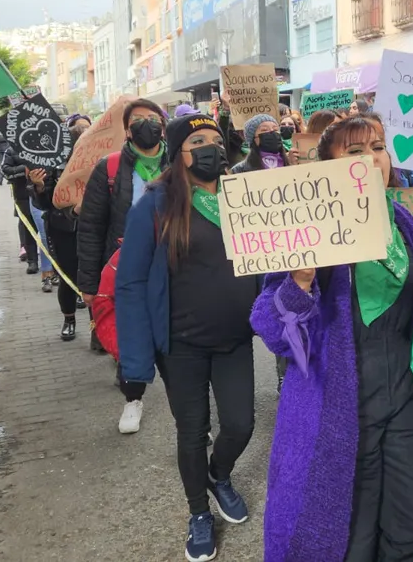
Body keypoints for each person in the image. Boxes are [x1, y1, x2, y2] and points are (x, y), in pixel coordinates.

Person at [251, 115, 413, 562]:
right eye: (355, 152)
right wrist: (299, 284)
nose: (373, 159)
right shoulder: (309, 224)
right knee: (349, 537)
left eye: (378, 146)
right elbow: (271, 327)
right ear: (329, 163)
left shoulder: (404, 223)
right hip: (340, 407)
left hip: (405, 397)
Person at [116, 114, 256, 562]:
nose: (211, 148)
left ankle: (219, 475)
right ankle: (199, 511)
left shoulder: (244, 197)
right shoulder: (154, 205)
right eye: (198, 140)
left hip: (235, 338)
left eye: (217, 140)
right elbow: (132, 283)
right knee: (191, 432)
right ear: (179, 153)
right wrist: (135, 361)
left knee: (240, 424)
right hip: (181, 347)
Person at [77, 98, 169, 434]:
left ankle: (188, 413)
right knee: (130, 336)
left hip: (175, 268)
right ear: (128, 130)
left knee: (177, 340)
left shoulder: (181, 162)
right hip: (127, 269)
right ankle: (133, 398)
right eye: (139, 120)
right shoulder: (110, 168)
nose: (147, 124)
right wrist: (89, 283)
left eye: (153, 118)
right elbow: (90, 227)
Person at [227, 113, 292, 390]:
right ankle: (283, 370)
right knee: (278, 312)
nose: (273, 133)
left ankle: (291, 371)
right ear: (253, 138)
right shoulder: (240, 170)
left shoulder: (295, 162)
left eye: (275, 128)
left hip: (296, 245)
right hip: (265, 252)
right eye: (265, 130)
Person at [30, 115, 92, 340]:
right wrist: (38, 186)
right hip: (63, 228)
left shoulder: (101, 162)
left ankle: (97, 327)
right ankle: (69, 319)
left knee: (95, 277)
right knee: (68, 275)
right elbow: (44, 203)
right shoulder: (54, 164)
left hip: (93, 228)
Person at [1, 146, 40, 276]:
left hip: (44, 193)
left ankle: (51, 268)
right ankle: (32, 261)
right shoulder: (11, 150)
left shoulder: (46, 147)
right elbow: (5, 170)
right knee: (29, 228)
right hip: (23, 194)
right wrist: (24, 170)